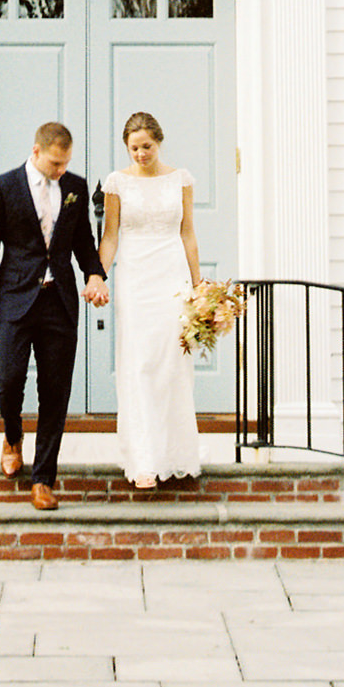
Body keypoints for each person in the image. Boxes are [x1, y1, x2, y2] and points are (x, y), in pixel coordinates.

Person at [0, 120, 109, 511]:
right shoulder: (3, 186)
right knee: (9, 379)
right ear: (36, 152)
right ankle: (12, 435)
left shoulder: (76, 188)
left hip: (59, 302)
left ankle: (44, 478)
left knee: (55, 390)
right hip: (14, 299)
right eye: (54, 163)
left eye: (65, 163)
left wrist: (95, 273)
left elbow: (83, 241)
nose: (60, 170)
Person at [97, 109, 202, 489]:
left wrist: (199, 286)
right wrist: (98, 275)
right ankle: (143, 459)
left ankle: (174, 454)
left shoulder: (181, 180)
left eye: (147, 146)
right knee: (139, 362)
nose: (141, 154)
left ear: (159, 142)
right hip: (135, 275)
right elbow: (110, 237)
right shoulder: (116, 183)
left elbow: (188, 233)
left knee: (173, 363)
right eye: (134, 148)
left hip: (172, 275)